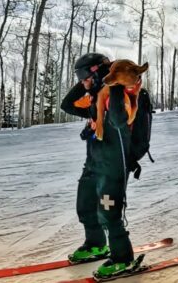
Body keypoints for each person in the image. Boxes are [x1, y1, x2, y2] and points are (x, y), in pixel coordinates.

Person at [61, 53, 137, 278]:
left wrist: (109, 82)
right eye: (79, 76)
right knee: (85, 204)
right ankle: (96, 244)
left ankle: (123, 258)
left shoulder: (119, 95)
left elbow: (118, 119)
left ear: (98, 72)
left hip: (114, 164)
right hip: (94, 161)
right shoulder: (94, 98)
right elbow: (68, 105)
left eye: (83, 75)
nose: (81, 80)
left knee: (109, 212)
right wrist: (88, 82)